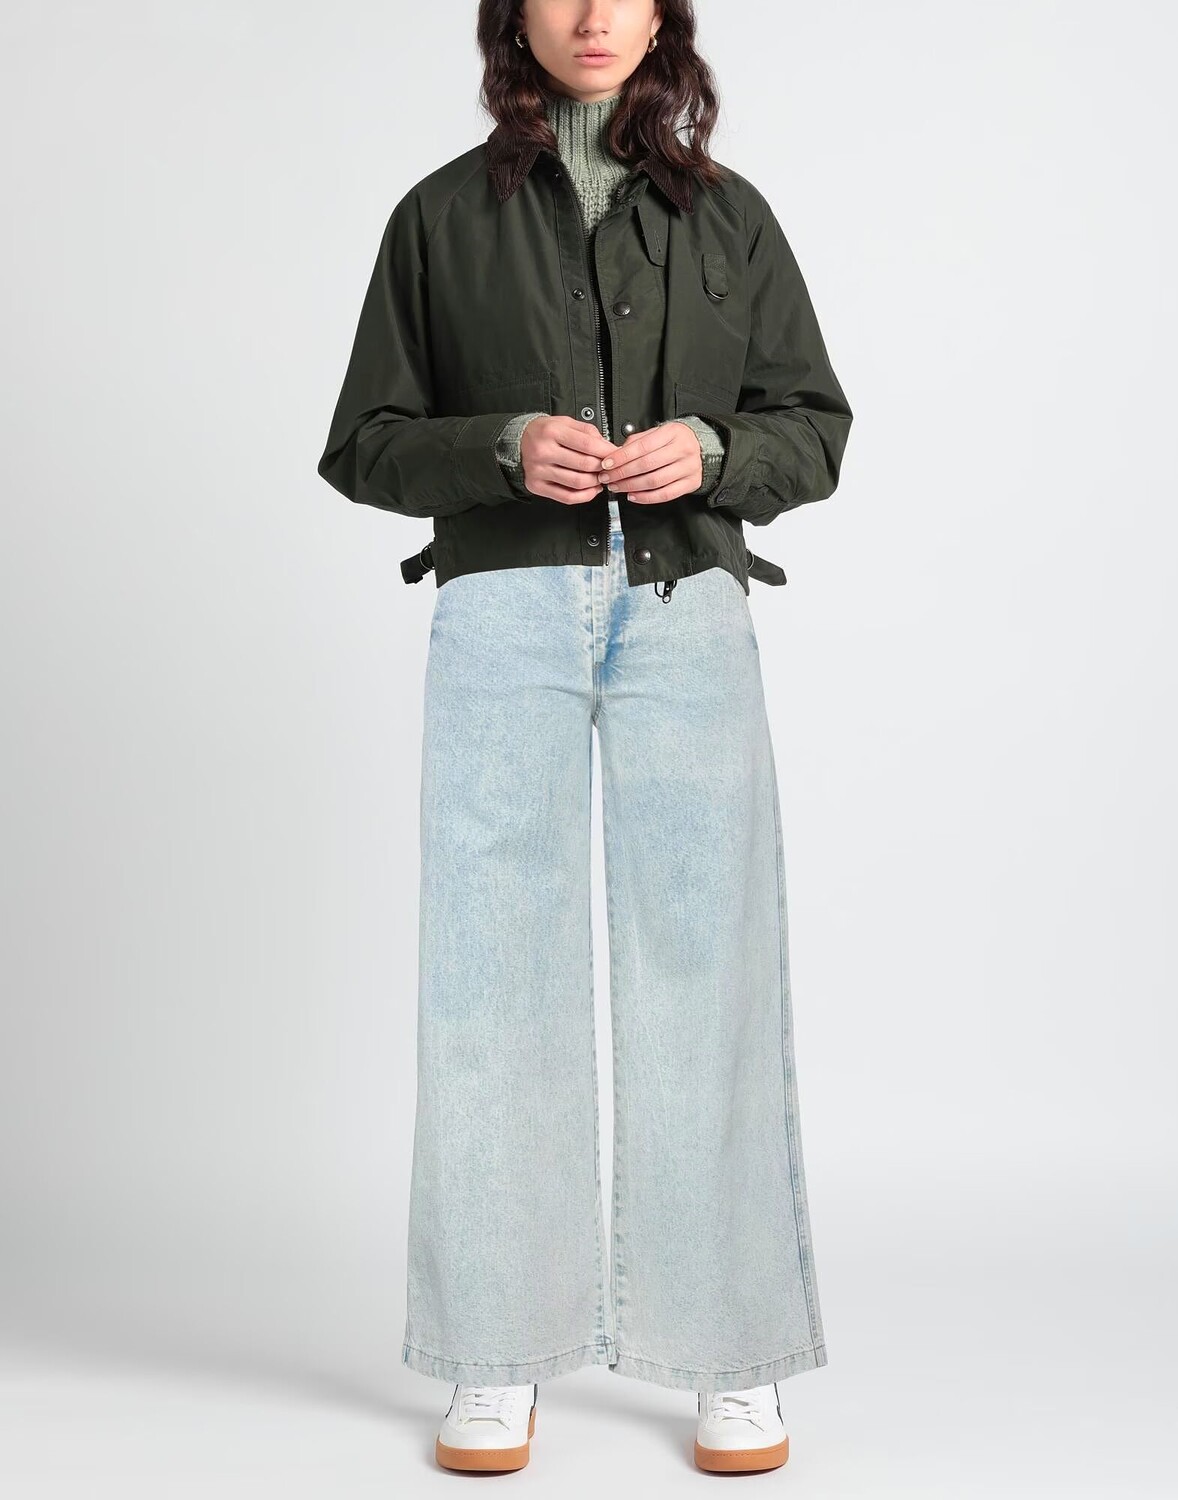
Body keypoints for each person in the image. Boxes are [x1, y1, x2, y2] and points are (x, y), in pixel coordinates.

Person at [316, 0, 852, 1476]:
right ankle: (496, 1353)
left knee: (709, 966)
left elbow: (814, 424)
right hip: (503, 607)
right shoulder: (438, 218)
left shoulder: (729, 215)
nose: (594, 14)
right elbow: (363, 441)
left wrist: (717, 452)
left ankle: (727, 1353)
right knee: (491, 972)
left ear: (664, 13)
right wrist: (497, 447)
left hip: (687, 607)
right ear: (514, 18)